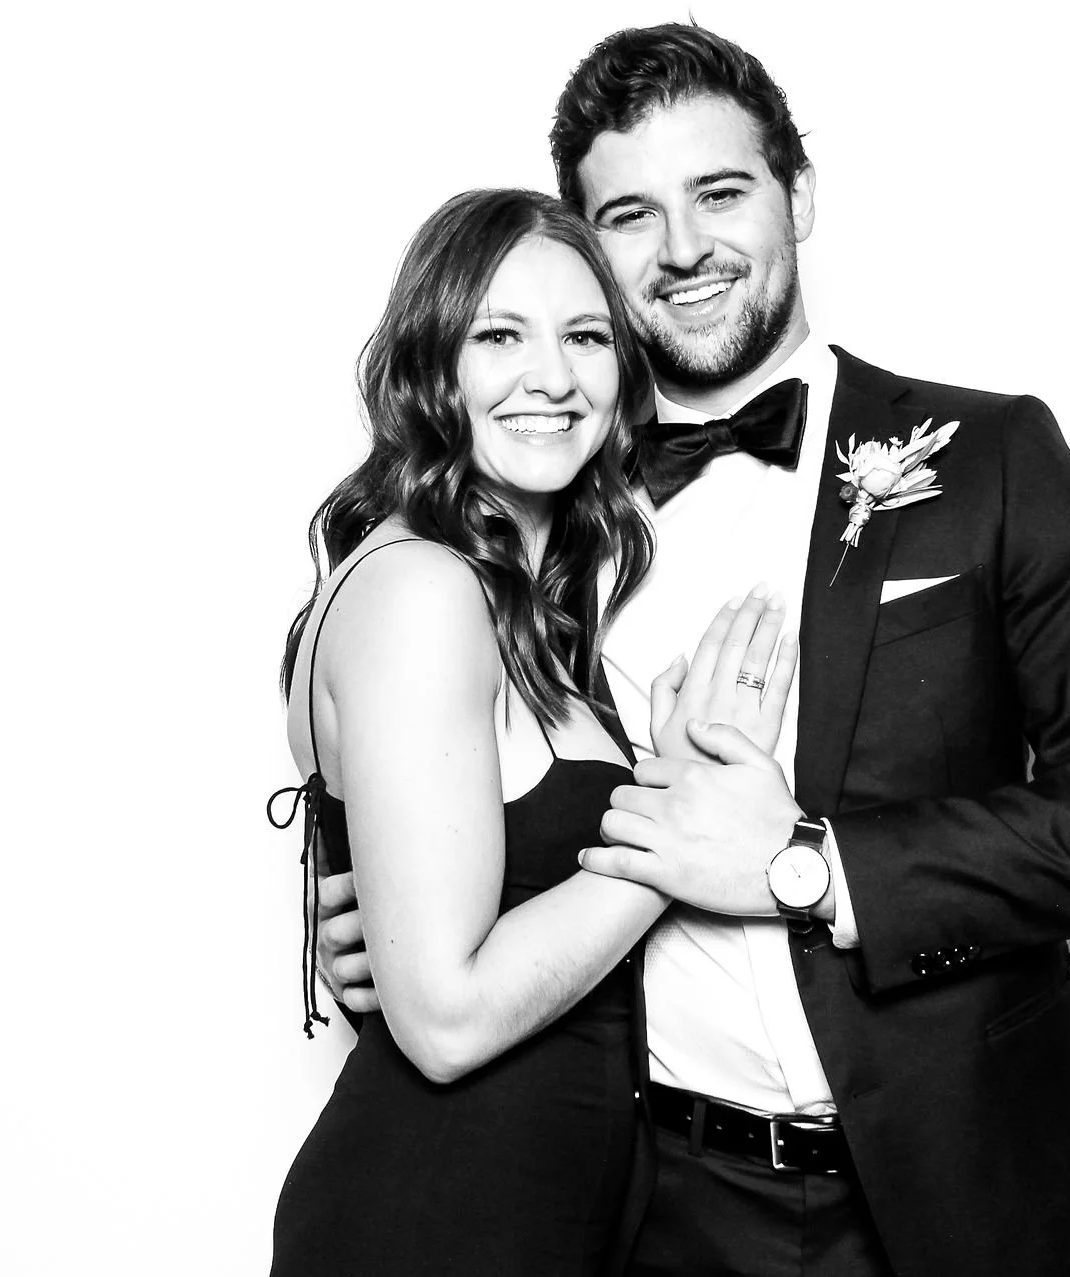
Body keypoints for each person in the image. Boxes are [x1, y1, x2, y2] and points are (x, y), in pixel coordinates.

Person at [318, 27, 1070, 1277]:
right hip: (659, 1214)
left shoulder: (992, 459)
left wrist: (810, 869)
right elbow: (473, 816)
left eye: (721, 192)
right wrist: (382, 915)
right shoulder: (532, 521)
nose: (683, 248)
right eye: (631, 212)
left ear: (797, 197)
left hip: (975, 1195)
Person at [266, 187, 794, 1276]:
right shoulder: (422, 591)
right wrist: (676, 835)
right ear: (430, 366)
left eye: (585, 336)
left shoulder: (513, 601)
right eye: (498, 335)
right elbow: (446, 1019)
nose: (551, 377)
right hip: (439, 1220)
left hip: (552, 1217)